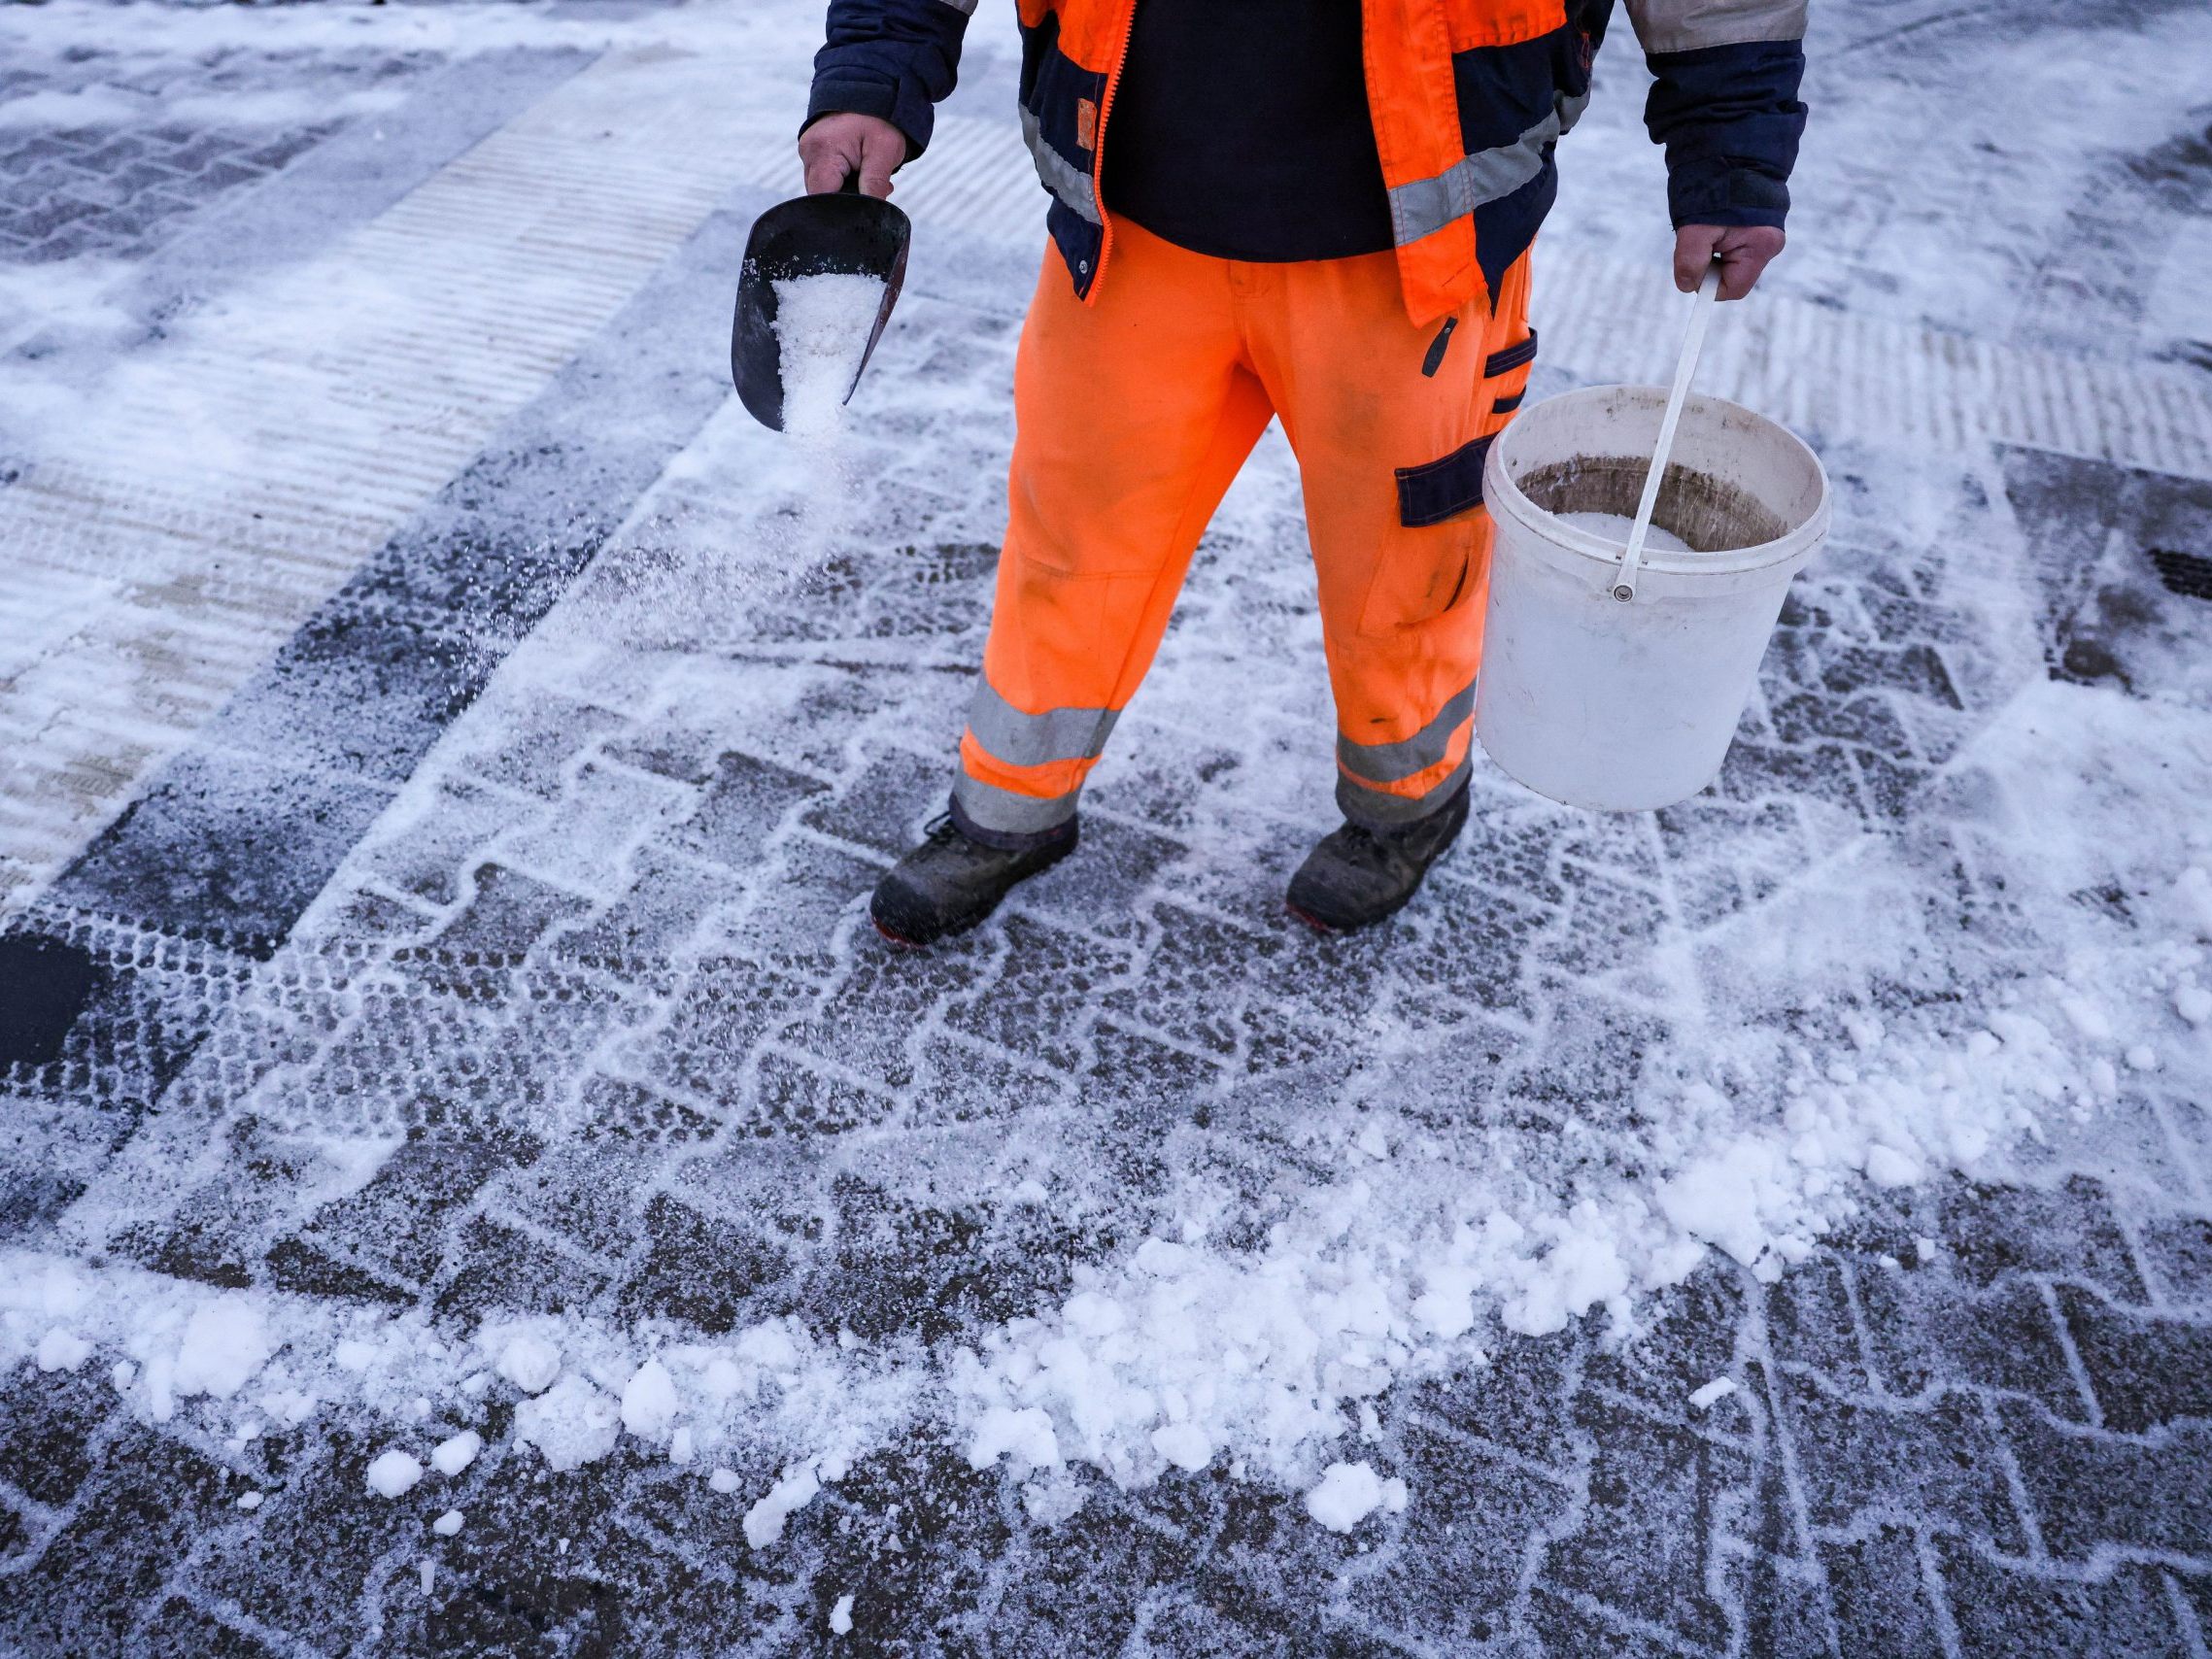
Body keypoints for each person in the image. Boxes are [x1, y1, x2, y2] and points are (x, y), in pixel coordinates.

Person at [799, 0, 1808, 946]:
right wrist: (874, 72)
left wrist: (1733, 153)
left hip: (1411, 252)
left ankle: (1404, 807)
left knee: (1405, 570)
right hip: (1134, 226)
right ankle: (1008, 807)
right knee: (1073, 534)